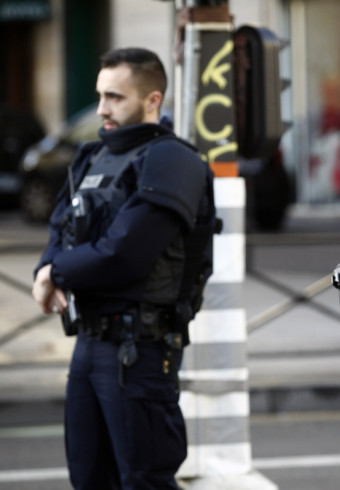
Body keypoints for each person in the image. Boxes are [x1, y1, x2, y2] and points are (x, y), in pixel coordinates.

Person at [31, 47, 216, 489]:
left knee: (144, 479)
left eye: (115, 97)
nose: (101, 109)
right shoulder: (91, 157)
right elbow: (61, 229)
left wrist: (55, 274)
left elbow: (126, 253)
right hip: (90, 342)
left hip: (140, 348)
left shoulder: (173, 161)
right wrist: (46, 268)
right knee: (89, 477)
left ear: (153, 100)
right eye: (100, 96)